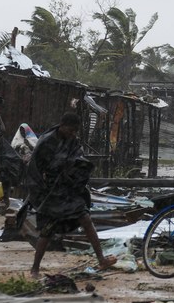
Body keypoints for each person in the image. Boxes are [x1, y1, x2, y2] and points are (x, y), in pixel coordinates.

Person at [27, 112, 116, 278]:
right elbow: (34, 169)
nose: (73, 134)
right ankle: (35, 269)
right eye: (71, 130)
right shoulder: (47, 141)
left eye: (76, 131)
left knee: (86, 219)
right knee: (48, 230)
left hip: (69, 190)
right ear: (62, 125)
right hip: (51, 192)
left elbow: (78, 159)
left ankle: (101, 259)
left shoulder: (72, 141)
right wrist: (40, 192)